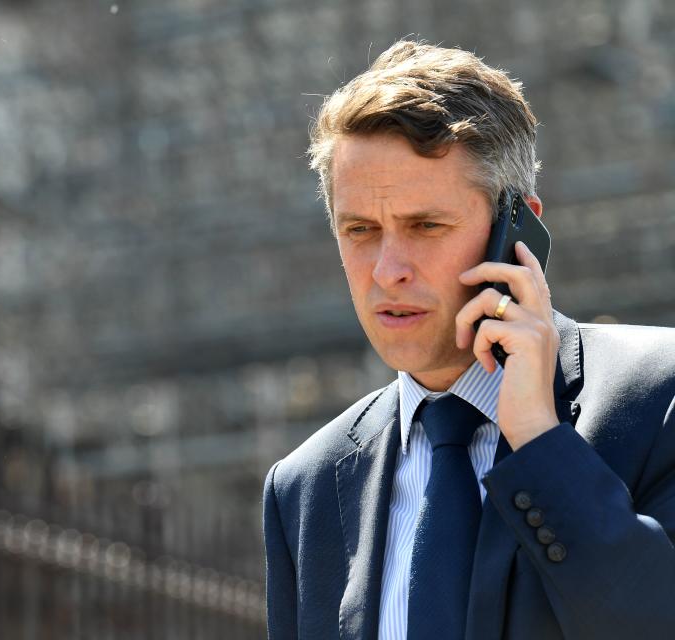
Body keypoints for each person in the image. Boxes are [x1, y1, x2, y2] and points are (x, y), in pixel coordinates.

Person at [262, 39, 675, 640]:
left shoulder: (660, 399)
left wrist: (540, 441)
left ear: (518, 229)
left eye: (425, 226)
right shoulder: (306, 486)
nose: (387, 270)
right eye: (360, 230)